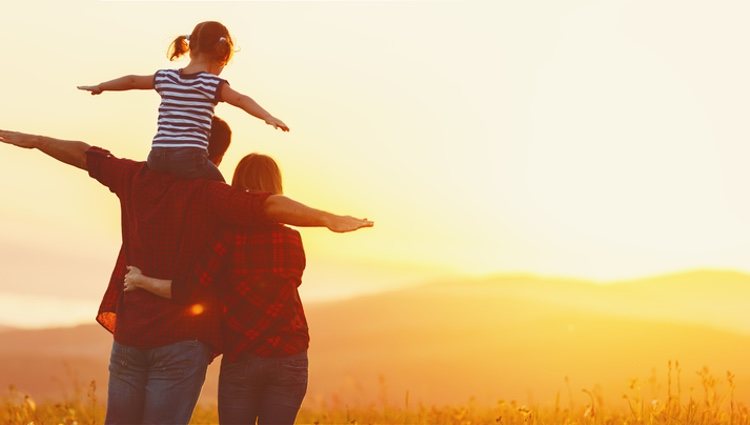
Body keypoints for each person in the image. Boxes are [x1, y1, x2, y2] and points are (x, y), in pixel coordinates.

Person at [0, 127, 372, 425]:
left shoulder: (140, 181)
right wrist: (325, 218)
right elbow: (269, 209)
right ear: (217, 155)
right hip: (235, 347)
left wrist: (35, 140)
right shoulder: (238, 210)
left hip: (163, 339)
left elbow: (86, 155)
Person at [125, 154, 316, 424]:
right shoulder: (292, 239)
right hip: (290, 353)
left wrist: (141, 281)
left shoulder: (225, 238)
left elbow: (188, 291)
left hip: (243, 352)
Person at [78, 21, 288, 181]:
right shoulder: (211, 84)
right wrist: (267, 116)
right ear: (221, 54)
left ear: (190, 48)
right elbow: (241, 99)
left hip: (156, 157)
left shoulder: (166, 77)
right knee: (219, 185)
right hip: (189, 158)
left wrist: (101, 86)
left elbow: (132, 80)